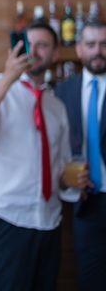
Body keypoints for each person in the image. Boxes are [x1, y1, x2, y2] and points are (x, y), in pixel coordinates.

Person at [0, 21, 74, 290]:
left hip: (49, 219)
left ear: (55, 54)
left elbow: (60, 166)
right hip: (5, 216)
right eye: (28, 44)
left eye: (42, 45)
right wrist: (7, 79)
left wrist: (70, 181)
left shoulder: (55, 105)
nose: (33, 51)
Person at [55, 18, 106, 291]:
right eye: (91, 44)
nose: (98, 51)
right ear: (79, 50)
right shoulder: (62, 92)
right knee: (90, 280)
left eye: (104, 44)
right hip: (84, 201)